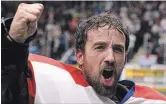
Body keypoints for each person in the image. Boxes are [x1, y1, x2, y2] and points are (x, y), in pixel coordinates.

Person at [1, 3, 166, 104]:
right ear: (80, 56)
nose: (110, 58)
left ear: (125, 58)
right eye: (100, 47)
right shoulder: (54, 82)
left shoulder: (152, 100)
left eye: (117, 49)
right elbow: (11, 93)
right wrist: (13, 44)